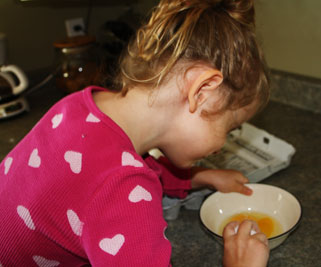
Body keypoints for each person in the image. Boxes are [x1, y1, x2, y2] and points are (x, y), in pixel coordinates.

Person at [0, 0, 270, 266]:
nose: (223, 145)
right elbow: (119, 184)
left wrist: (197, 177)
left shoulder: (79, 106)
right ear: (201, 92)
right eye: (230, 128)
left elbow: (116, 167)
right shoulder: (122, 187)